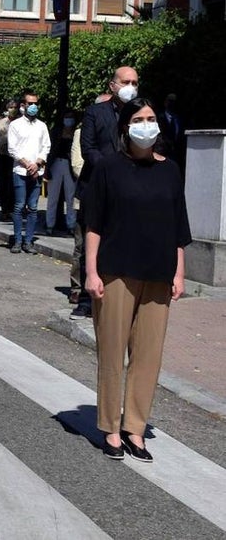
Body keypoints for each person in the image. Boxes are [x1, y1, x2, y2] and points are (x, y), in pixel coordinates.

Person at [83, 98, 190, 463]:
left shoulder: (171, 170)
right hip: (116, 271)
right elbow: (94, 224)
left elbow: (179, 226)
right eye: (140, 119)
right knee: (112, 352)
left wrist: (179, 271)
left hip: (159, 273)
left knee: (148, 356)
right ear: (126, 127)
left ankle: (136, 428)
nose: (147, 124)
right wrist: (91, 271)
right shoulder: (108, 169)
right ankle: (111, 427)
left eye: (152, 118)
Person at [72, 67, 140, 319]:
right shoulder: (95, 113)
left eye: (134, 82)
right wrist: (113, 171)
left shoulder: (141, 114)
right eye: (125, 82)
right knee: (88, 243)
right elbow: (89, 149)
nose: (130, 86)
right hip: (97, 187)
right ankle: (86, 299)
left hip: (130, 191)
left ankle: (120, 295)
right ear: (112, 85)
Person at [7, 91, 51, 253]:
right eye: (30, 103)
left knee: (33, 207)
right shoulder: (15, 125)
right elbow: (12, 148)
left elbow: (46, 146)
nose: (33, 107)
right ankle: (17, 240)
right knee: (19, 206)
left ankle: (28, 241)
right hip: (20, 170)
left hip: (37, 171)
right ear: (23, 106)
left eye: (36, 104)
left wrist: (38, 162)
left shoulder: (42, 126)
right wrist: (27, 164)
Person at [45, 109, 80, 235]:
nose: (69, 120)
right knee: (53, 197)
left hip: (70, 165)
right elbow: (50, 150)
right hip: (56, 164)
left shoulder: (77, 133)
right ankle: (50, 224)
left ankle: (71, 225)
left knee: (71, 197)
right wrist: (47, 168)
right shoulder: (56, 132)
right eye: (66, 117)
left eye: (71, 117)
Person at [0, 99, 19, 219]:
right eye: (10, 107)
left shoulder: (21, 122)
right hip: (3, 155)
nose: (13, 109)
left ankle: (15, 207)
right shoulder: (2, 122)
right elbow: (0, 139)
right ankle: (5, 209)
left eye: (14, 107)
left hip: (17, 157)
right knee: (4, 183)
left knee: (14, 183)